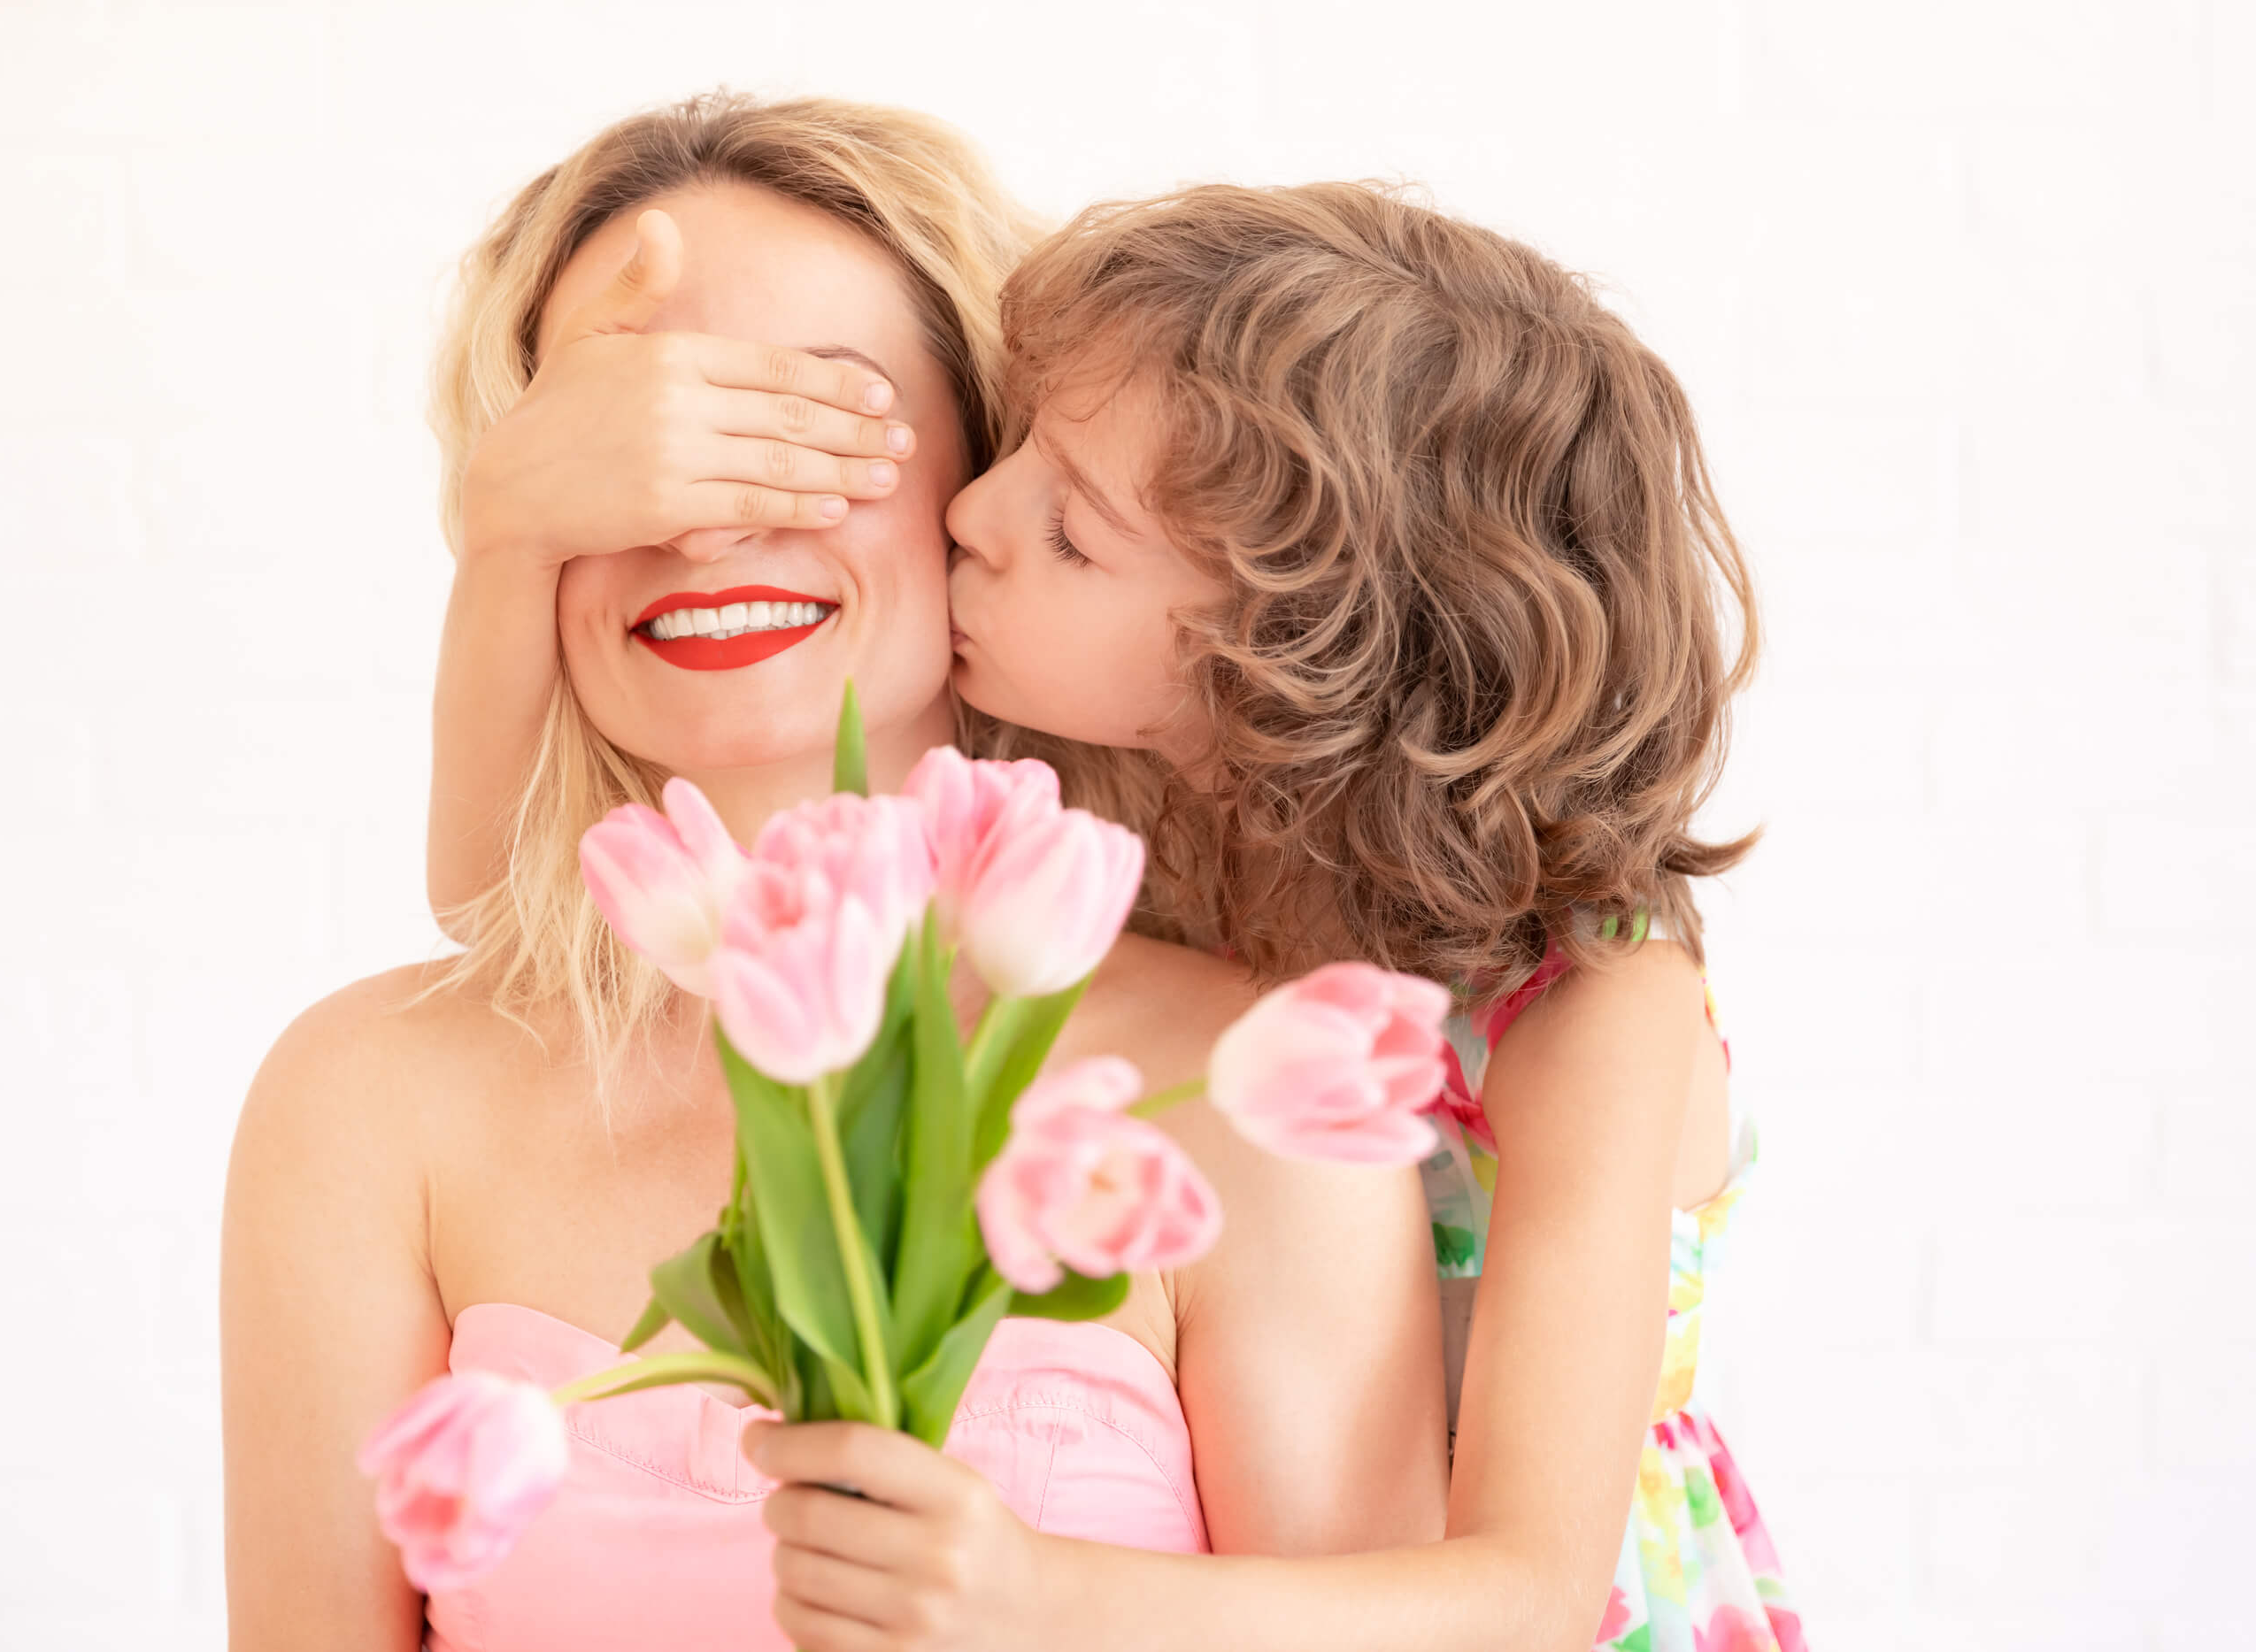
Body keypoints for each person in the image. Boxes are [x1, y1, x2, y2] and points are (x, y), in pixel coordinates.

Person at [219, 94, 1444, 1652]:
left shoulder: (1241, 1083)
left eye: (811, 422)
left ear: (998, 481)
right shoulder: (367, 1105)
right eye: (619, 448)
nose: (704, 517)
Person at [735, 182, 1806, 1651]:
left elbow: (1529, 1593)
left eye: (1074, 535)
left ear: (1288, 653)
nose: (972, 512)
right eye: (1023, 452)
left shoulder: (1592, 1004)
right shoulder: (1124, 827)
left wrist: (1033, 1594)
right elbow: (525, 911)